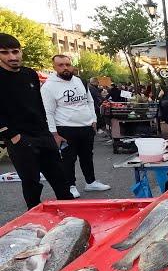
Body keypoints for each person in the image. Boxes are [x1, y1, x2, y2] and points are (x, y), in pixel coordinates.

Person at [0, 34, 74, 208]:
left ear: (21, 52)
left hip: (42, 134)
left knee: (61, 179)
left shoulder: (30, 74)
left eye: (15, 51)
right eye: (5, 53)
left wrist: (49, 131)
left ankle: (73, 216)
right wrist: (12, 136)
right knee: (32, 184)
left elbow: (39, 105)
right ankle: (34, 223)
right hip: (20, 138)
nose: (12, 57)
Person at [41, 55, 111, 198]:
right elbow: (48, 112)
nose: (65, 67)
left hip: (86, 127)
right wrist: (54, 134)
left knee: (87, 156)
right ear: (54, 67)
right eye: (60, 65)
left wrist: (93, 119)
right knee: (68, 159)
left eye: (67, 64)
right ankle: (70, 185)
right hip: (65, 128)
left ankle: (90, 182)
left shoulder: (79, 81)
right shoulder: (49, 86)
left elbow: (89, 101)